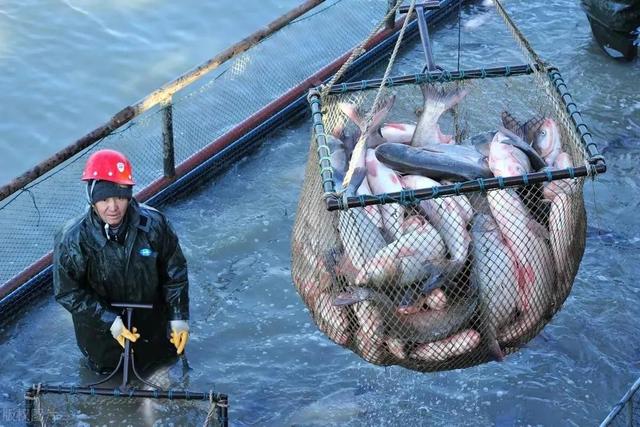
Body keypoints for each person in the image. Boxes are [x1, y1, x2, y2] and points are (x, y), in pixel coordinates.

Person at [53, 148, 190, 374]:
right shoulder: (72, 239)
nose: (113, 207)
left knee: (160, 373)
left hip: (153, 329)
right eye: (104, 199)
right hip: (102, 341)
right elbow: (67, 292)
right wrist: (110, 322)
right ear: (92, 199)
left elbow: (175, 274)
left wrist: (179, 318)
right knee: (106, 380)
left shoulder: (155, 225)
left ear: (129, 195)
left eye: (119, 197)